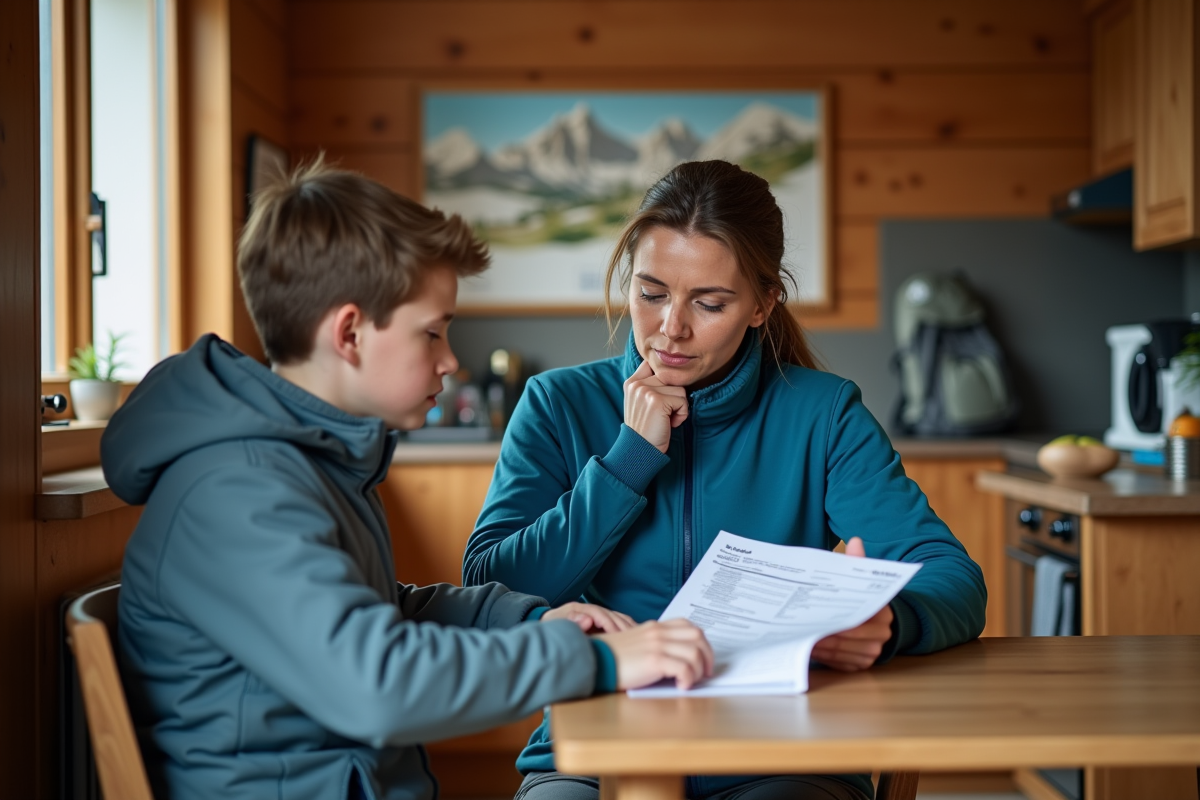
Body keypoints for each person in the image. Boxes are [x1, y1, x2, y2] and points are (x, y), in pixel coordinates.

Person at [101, 160, 714, 800]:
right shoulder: (236, 490)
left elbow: (378, 611)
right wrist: (597, 662)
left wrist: (535, 621)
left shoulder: (300, 461)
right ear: (348, 333)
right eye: (432, 332)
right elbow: (377, 683)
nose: (450, 360)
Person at [463, 160, 987, 800]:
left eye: (709, 303)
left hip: (785, 755)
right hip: (594, 753)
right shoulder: (557, 403)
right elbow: (492, 586)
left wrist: (892, 620)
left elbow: (950, 575)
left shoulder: (822, 413)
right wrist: (629, 459)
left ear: (763, 304)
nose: (670, 328)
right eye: (651, 293)